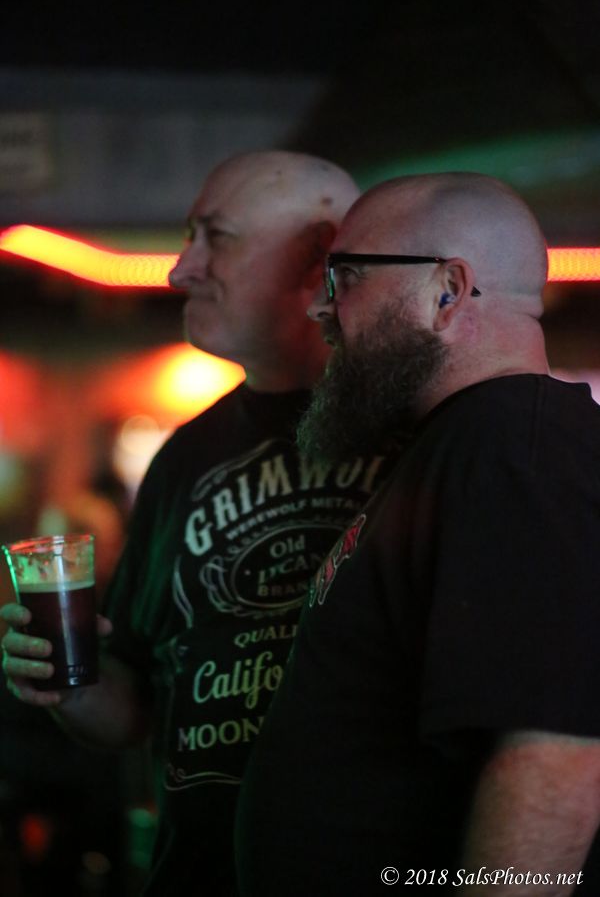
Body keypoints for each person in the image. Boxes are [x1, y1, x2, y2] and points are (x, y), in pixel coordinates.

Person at [0, 151, 392, 896]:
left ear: (318, 256)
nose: (181, 271)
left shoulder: (420, 431)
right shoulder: (186, 455)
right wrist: (68, 681)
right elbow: (135, 709)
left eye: (217, 238)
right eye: (189, 238)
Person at [235, 172, 600, 896]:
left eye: (345, 276)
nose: (320, 306)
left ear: (447, 290)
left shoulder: (512, 447)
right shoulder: (467, 444)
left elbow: (557, 756)